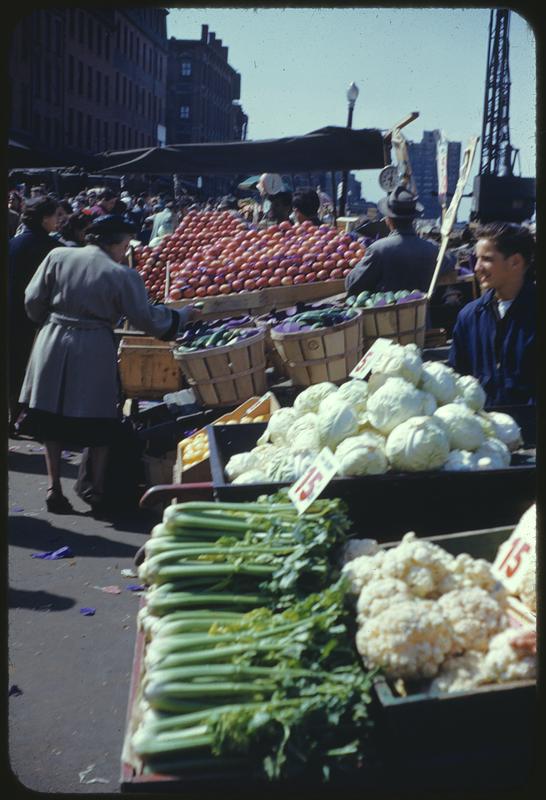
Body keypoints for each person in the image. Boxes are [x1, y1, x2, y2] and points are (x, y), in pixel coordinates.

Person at [18, 215, 198, 514]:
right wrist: (182, 315)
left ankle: (54, 487)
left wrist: (48, 323)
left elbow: (33, 299)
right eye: (126, 245)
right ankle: (97, 490)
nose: (126, 251)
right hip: (92, 346)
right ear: (115, 244)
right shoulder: (122, 274)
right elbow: (146, 318)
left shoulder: (57, 255)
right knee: (99, 418)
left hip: (51, 340)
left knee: (50, 417)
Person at [448, 222, 535, 406]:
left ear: (515, 262)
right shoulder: (469, 317)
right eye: (476, 258)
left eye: (486, 259)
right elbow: (456, 379)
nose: (477, 267)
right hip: (482, 429)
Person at [8, 195, 63, 432]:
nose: (60, 221)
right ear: (44, 218)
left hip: (11, 314)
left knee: (13, 367)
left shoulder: (12, 243)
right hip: (37, 318)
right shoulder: (54, 250)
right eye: (56, 216)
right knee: (34, 370)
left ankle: (13, 417)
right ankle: (27, 418)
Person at [345, 184, 456, 295]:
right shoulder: (432, 249)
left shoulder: (378, 250)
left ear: (388, 219)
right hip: (421, 311)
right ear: (413, 219)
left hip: (387, 311)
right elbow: (451, 260)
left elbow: (352, 284)